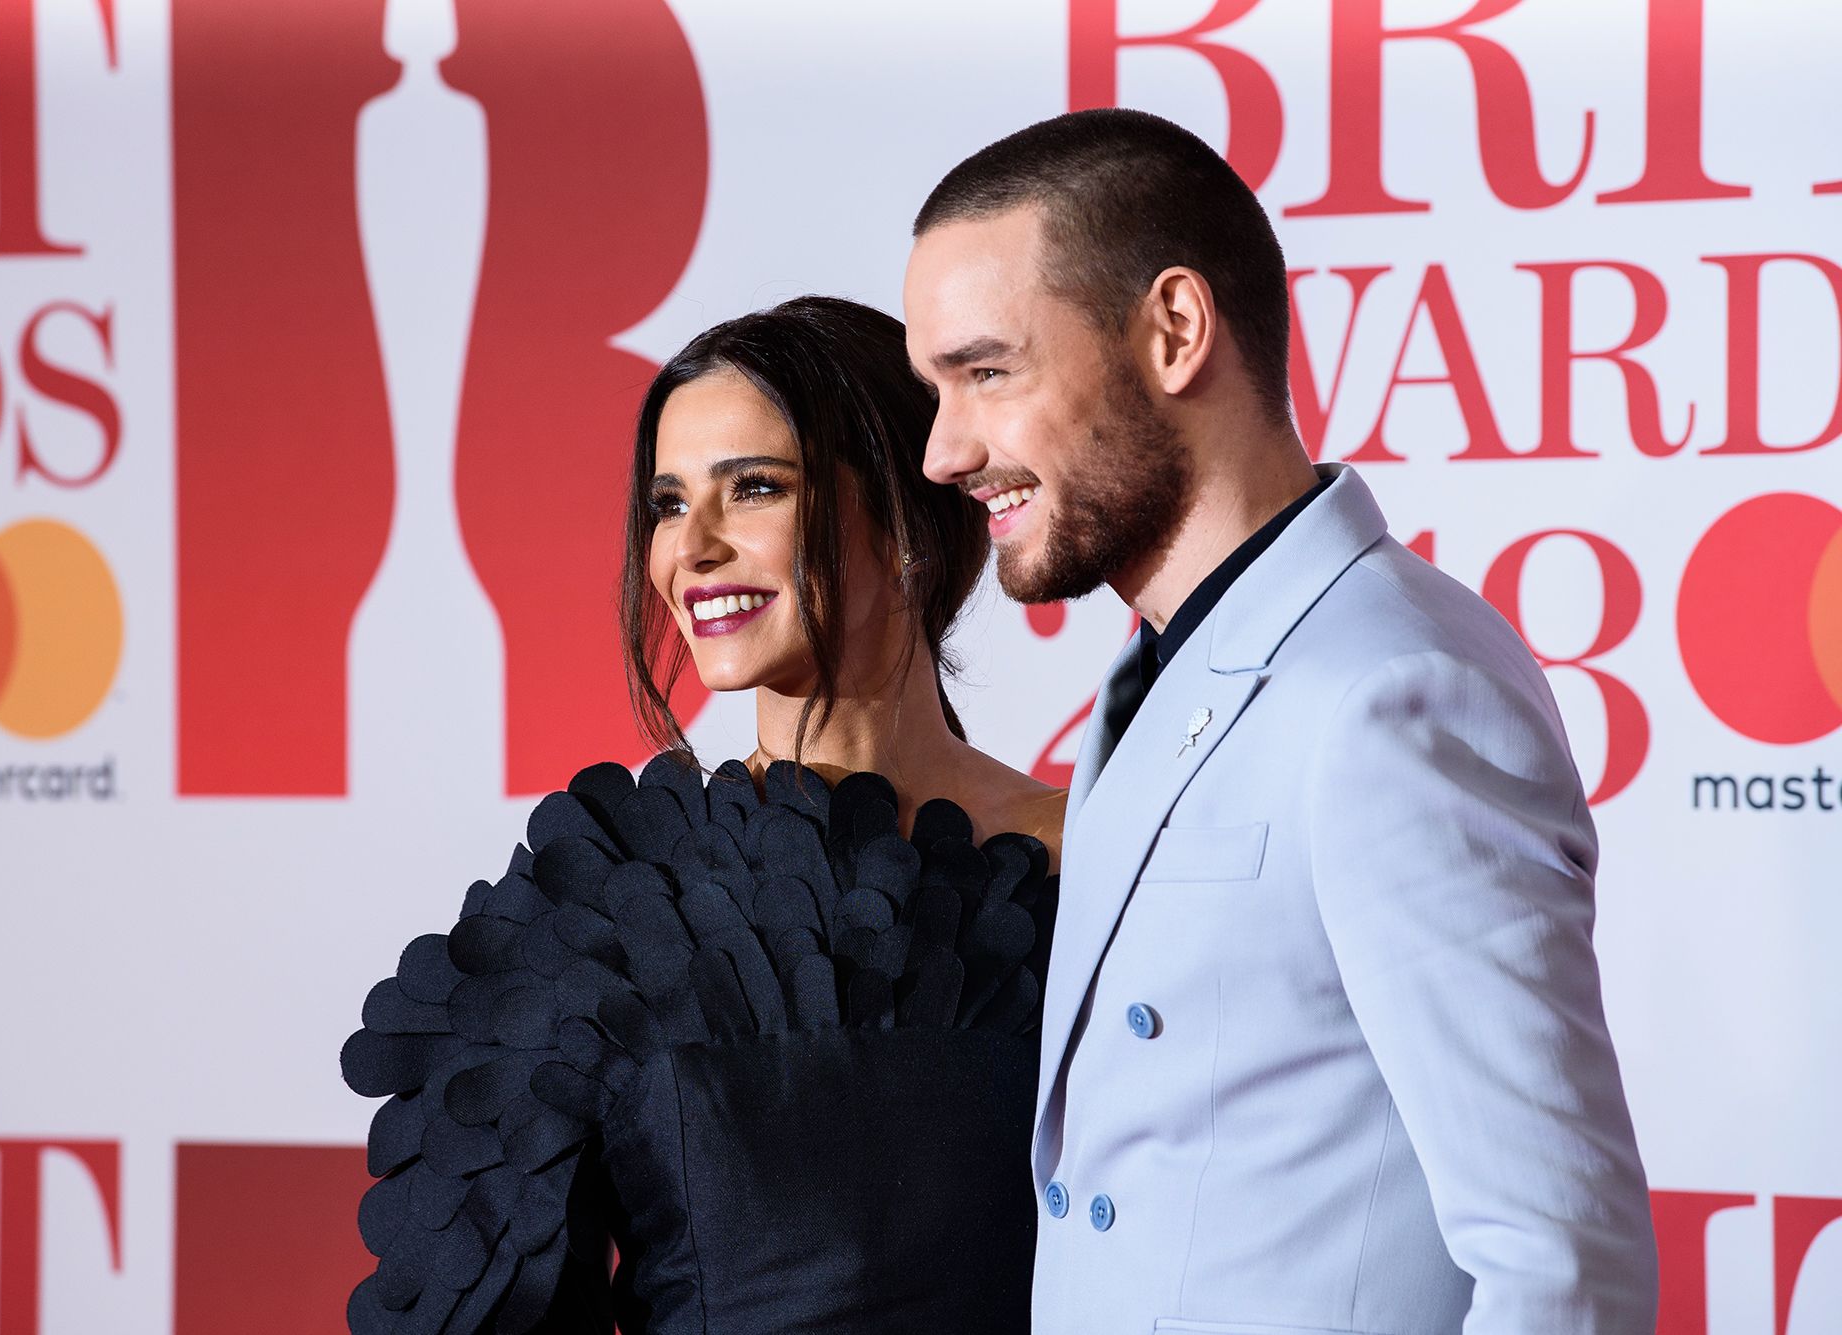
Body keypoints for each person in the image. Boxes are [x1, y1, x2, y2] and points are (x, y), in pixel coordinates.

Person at [903, 109, 1658, 1334]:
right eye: (932, 388)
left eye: (986, 372)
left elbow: (1561, 1257)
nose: (943, 450)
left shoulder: (1393, 692)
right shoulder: (1159, 675)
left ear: (1175, 331)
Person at [341, 296, 1066, 1333]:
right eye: (669, 504)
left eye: (754, 489)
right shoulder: (601, 911)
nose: (693, 547)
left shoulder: (1098, 858)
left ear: (908, 519)